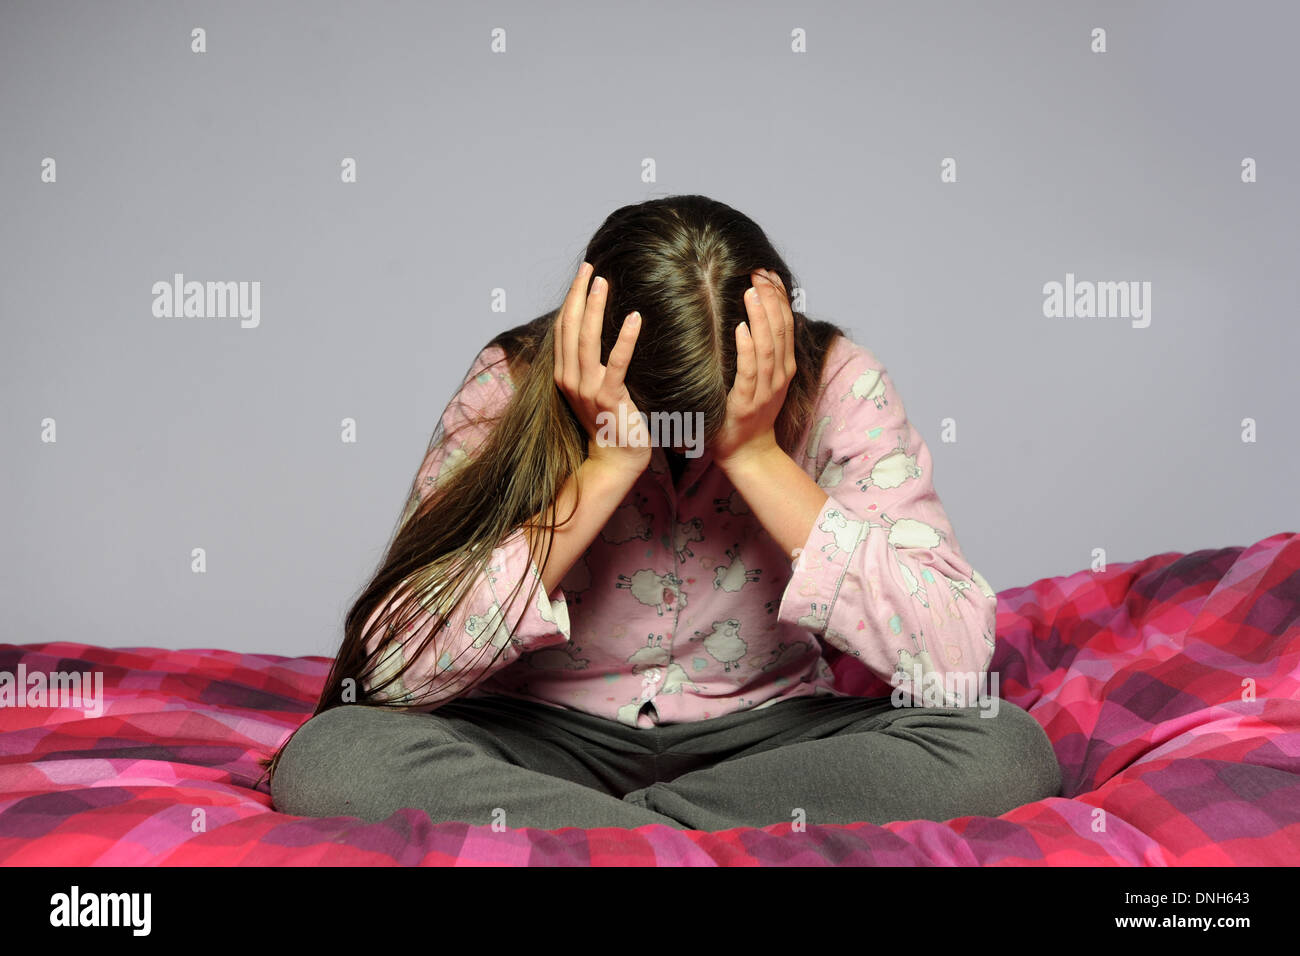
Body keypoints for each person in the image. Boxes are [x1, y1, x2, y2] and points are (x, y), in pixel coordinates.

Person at [260, 195, 1061, 831]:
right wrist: (608, 464)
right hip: (538, 742)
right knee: (335, 757)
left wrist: (757, 456)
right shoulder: (512, 383)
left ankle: (616, 838)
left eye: (709, 425)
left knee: (1004, 750)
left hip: (767, 743)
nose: (688, 454)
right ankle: (665, 840)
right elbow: (394, 665)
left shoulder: (839, 385)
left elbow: (955, 660)